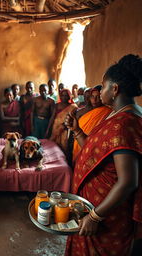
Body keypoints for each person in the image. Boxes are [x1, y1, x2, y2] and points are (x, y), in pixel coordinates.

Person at [64, 54, 142, 255]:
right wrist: (77, 131)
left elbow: (128, 182)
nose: (100, 91)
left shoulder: (124, 123)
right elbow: (98, 152)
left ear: (114, 89)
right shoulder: (117, 114)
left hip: (107, 215)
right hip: (95, 205)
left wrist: (94, 216)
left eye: (103, 86)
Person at [72, 85, 112, 161]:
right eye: (92, 96)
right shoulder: (84, 111)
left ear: (102, 97)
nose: (94, 100)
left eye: (98, 96)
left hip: (94, 146)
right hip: (79, 140)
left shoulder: (108, 112)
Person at [46, 89, 77, 155]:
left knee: (64, 147)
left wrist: (65, 125)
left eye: (66, 95)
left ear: (69, 97)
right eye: (62, 95)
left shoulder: (73, 107)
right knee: (53, 146)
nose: (64, 97)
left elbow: (73, 119)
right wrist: (48, 130)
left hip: (66, 130)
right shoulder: (56, 105)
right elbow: (52, 118)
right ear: (60, 96)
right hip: (55, 128)